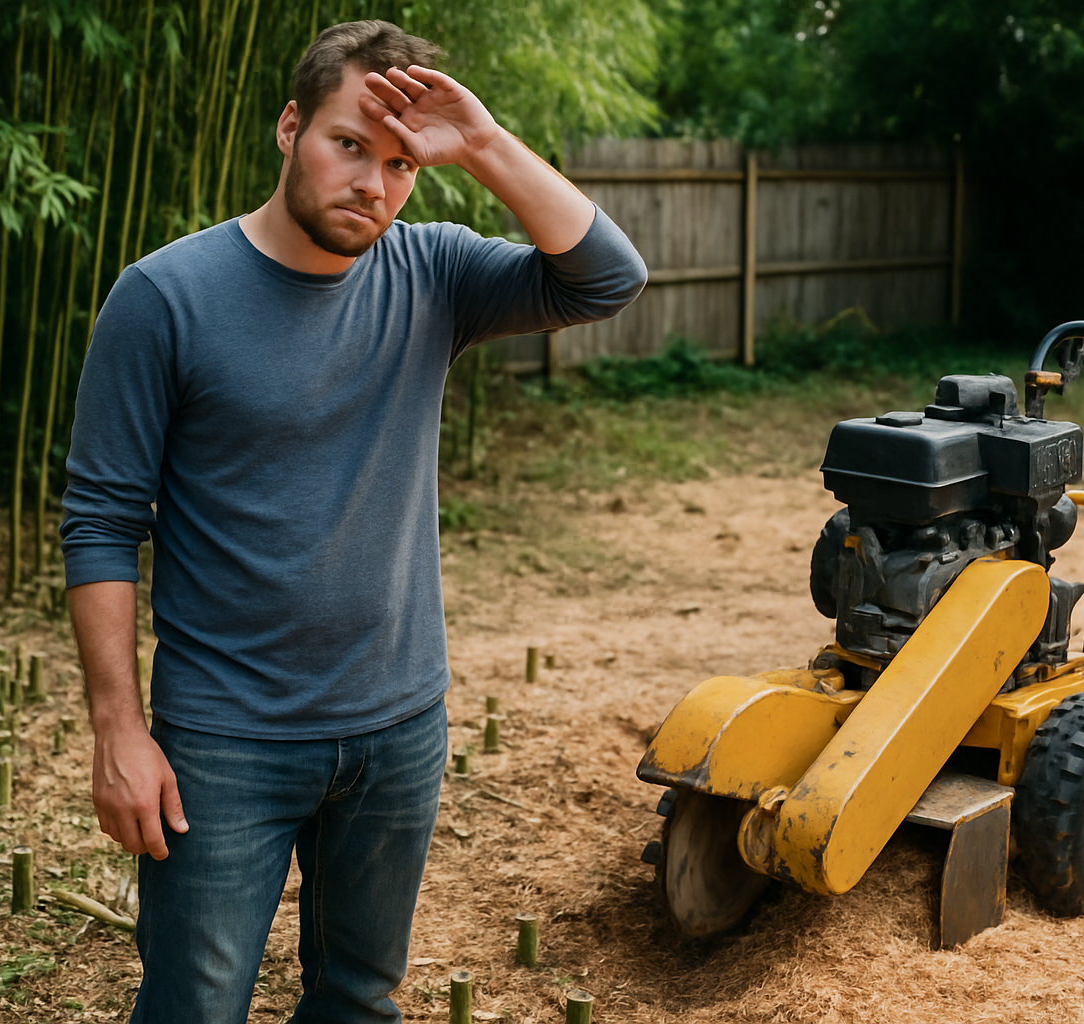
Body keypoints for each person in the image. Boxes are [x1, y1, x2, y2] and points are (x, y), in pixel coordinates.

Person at [60, 20, 646, 1023]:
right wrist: (117, 728)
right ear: (290, 127)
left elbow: (606, 277)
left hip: (398, 726)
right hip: (224, 736)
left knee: (360, 1000)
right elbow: (104, 521)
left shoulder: (432, 276)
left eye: (401, 163)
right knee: (195, 1005)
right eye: (347, 145)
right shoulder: (164, 298)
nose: (373, 183)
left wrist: (486, 143)